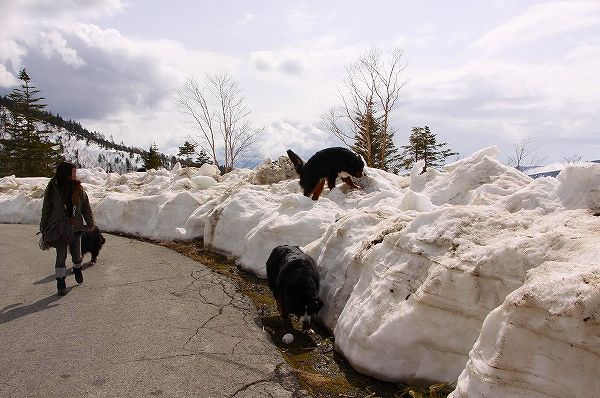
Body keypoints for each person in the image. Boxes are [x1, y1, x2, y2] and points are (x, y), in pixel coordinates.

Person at [40, 161, 95, 295]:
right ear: (65, 173)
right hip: (59, 228)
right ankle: (61, 282)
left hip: (76, 227)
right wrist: (44, 226)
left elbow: (86, 207)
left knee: (77, 255)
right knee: (61, 256)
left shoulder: (78, 188)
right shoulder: (53, 188)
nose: (75, 174)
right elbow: (46, 208)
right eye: (73, 171)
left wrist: (90, 222)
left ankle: (77, 269)